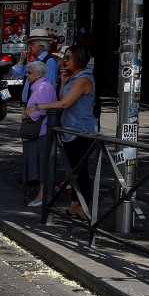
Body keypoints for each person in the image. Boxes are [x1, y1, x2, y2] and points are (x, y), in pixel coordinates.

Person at [38, 44, 99, 220]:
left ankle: (84, 208)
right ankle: (75, 206)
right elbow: (62, 99)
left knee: (81, 171)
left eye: (68, 58)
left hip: (81, 132)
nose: (64, 62)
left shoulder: (83, 80)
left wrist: (39, 106)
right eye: (64, 58)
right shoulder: (73, 78)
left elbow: (65, 104)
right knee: (73, 171)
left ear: (79, 59)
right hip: (69, 130)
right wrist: (63, 82)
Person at [22, 61, 57, 206]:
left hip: (41, 131)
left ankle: (43, 196)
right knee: (39, 163)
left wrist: (26, 114)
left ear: (37, 74)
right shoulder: (41, 87)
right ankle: (42, 194)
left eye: (29, 72)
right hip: (40, 131)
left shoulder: (43, 88)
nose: (27, 75)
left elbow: (37, 110)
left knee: (41, 163)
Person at [21, 29, 58, 103]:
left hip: (38, 107)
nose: (29, 47)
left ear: (42, 46)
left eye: (32, 44)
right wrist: (21, 61)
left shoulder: (49, 61)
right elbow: (17, 75)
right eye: (29, 44)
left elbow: (48, 87)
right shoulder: (34, 61)